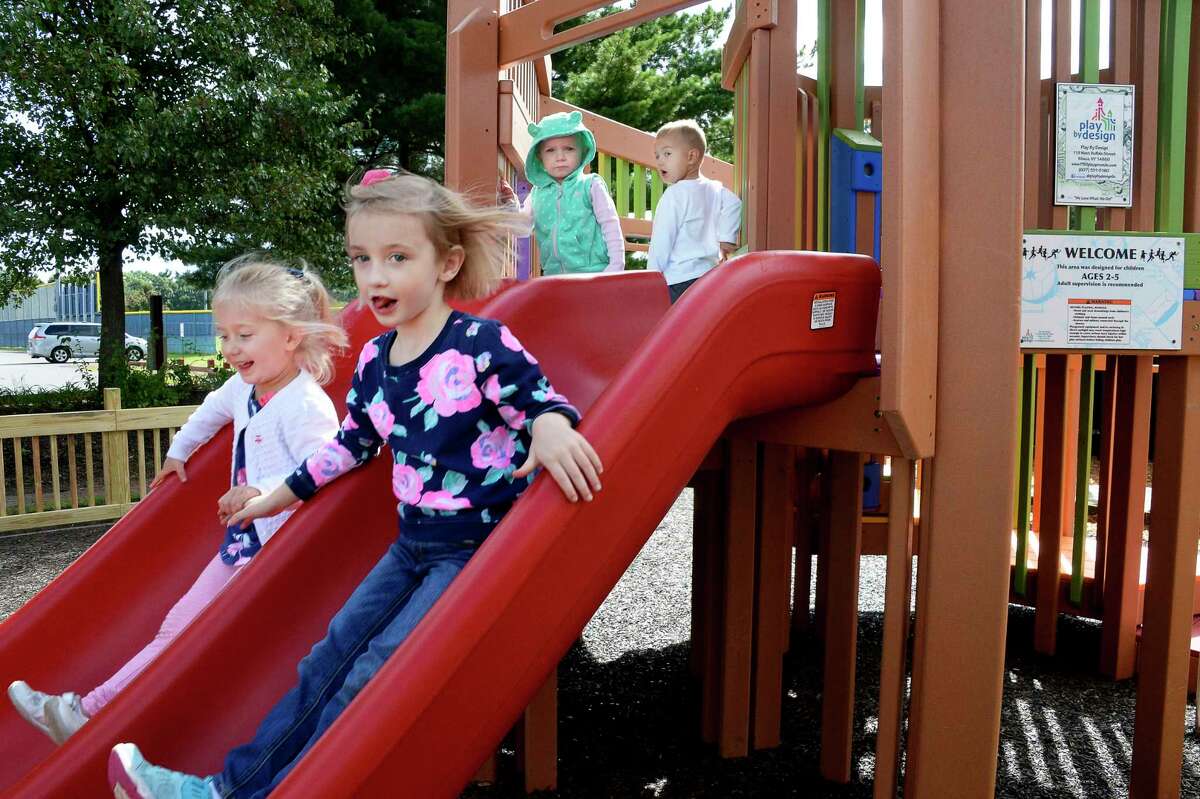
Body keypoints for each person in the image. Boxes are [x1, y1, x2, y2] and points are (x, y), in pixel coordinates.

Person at [106, 170, 604, 799]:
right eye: (362, 259)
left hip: (475, 552)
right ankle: (227, 790)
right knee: (325, 659)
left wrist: (552, 428)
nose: (376, 277)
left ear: (447, 263)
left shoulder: (479, 343)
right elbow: (349, 446)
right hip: (411, 546)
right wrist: (273, 498)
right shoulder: (373, 361)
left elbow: (537, 402)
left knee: (374, 668)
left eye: (398, 258)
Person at [8, 256, 345, 745]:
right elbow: (209, 412)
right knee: (177, 626)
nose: (230, 347)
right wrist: (178, 451)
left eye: (244, 335)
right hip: (245, 544)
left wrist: (261, 489)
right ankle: (92, 712)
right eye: (224, 334)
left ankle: (93, 712)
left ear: (291, 336)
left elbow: (323, 469)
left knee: (185, 629)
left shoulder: (306, 405)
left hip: (277, 556)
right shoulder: (244, 389)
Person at [498, 110, 625, 274]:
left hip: (594, 273)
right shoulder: (537, 194)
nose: (560, 157)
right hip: (555, 276)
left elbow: (610, 224)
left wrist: (616, 266)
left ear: (582, 151)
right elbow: (521, 229)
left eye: (569, 149)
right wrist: (510, 204)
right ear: (539, 157)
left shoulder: (590, 185)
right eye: (550, 150)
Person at [648, 119, 743, 303]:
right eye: (657, 155)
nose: (660, 161)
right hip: (709, 278)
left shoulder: (674, 194)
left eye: (667, 153)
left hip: (677, 280)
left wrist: (651, 277)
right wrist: (727, 238)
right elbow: (734, 204)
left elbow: (662, 240)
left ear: (691, 157)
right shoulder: (715, 188)